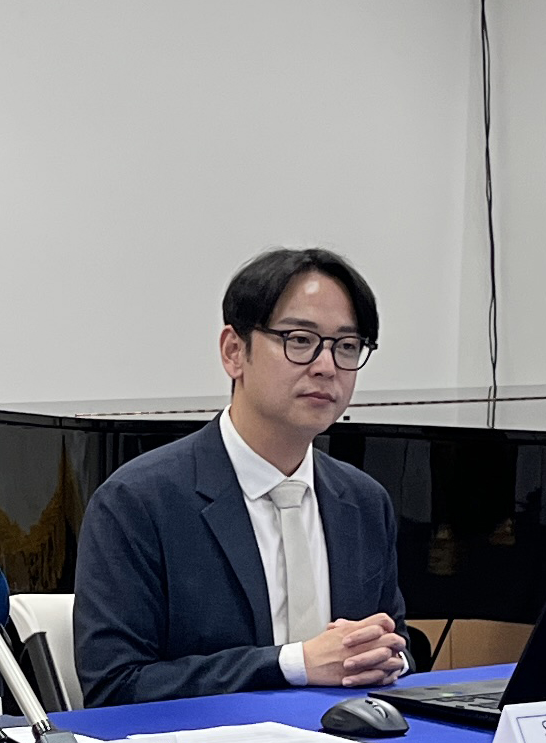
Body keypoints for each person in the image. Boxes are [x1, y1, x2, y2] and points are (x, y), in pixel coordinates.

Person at [73, 247, 410, 707]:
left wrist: (389, 658)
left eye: (347, 346)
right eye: (299, 339)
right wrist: (293, 664)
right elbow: (116, 687)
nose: (326, 366)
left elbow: (394, 642)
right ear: (234, 352)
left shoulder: (364, 501)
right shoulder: (138, 502)